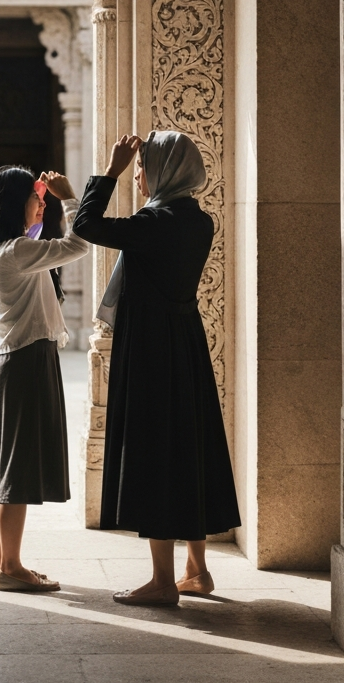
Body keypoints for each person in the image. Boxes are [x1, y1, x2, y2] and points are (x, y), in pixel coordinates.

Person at [73, 132, 240, 606]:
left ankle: (164, 582)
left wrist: (111, 169)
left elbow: (87, 225)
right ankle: (197, 570)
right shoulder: (197, 221)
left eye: (144, 166)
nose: (139, 175)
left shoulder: (155, 222)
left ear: (165, 169)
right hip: (184, 345)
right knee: (187, 449)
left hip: (152, 349)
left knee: (157, 456)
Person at [0, 165, 90, 593]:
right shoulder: (15, 252)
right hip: (22, 363)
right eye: (35, 196)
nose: (42, 202)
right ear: (13, 202)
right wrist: (71, 197)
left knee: (14, 468)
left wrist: (41, 203)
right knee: (17, 473)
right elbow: (79, 243)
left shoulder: (7, 248)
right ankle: (12, 568)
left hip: (20, 360)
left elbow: (42, 234)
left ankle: (0, 560)